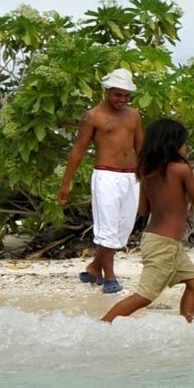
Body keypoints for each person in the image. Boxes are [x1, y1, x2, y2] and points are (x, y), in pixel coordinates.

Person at [101, 117, 194, 325]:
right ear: (174, 145)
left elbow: (144, 209)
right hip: (164, 244)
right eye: (184, 143)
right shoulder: (181, 170)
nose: (186, 148)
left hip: (157, 240)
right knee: (145, 296)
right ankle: (102, 324)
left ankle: (187, 328)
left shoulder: (147, 171)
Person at [57, 69, 144, 294]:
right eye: (117, 95)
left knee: (123, 228)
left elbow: (141, 147)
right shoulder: (93, 116)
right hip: (106, 176)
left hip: (130, 176)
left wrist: (146, 177)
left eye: (126, 95)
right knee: (107, 228)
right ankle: (110, 277)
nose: (121, 99)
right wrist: (66, 183)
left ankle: (95, 267)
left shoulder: (133, 115)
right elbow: (78, 150)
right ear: (107, 91)